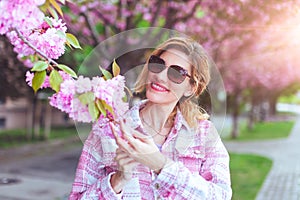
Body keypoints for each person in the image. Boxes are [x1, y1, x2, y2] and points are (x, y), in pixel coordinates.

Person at [69, 37, 232, 200]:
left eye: (176, 73)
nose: (160, 76)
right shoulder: (108, 130)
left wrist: (161, 164)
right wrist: (116, 181)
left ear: (191, 88)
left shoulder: (203, 134)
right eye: (158, 64)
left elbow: (221, 196)